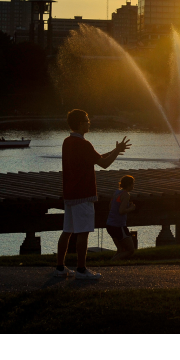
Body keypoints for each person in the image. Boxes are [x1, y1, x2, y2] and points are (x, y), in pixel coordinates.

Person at [55, 109, 131, 280]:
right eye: (87, 120)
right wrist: (117, 152)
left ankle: (60, 267)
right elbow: (103, 164)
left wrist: (114, 150)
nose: (89, 122)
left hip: (70, 194)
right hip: (84, 195)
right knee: (83, 233)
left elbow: (94, 158)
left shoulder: (67, 142)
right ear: (81, 123)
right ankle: (81, 270)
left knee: (67, 231)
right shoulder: (84, 144)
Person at [106, 175, 137, 261]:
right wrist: (131, 208)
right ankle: (111, 263)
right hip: (118, 226)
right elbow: (121, 211)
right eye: (133, 184)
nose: (133, 186)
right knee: (130, 250)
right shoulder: (126, 195)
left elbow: (110, 206)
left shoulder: (116, 192)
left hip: (110, 225)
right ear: (129, 184)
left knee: (120, 249)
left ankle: (110, 263)